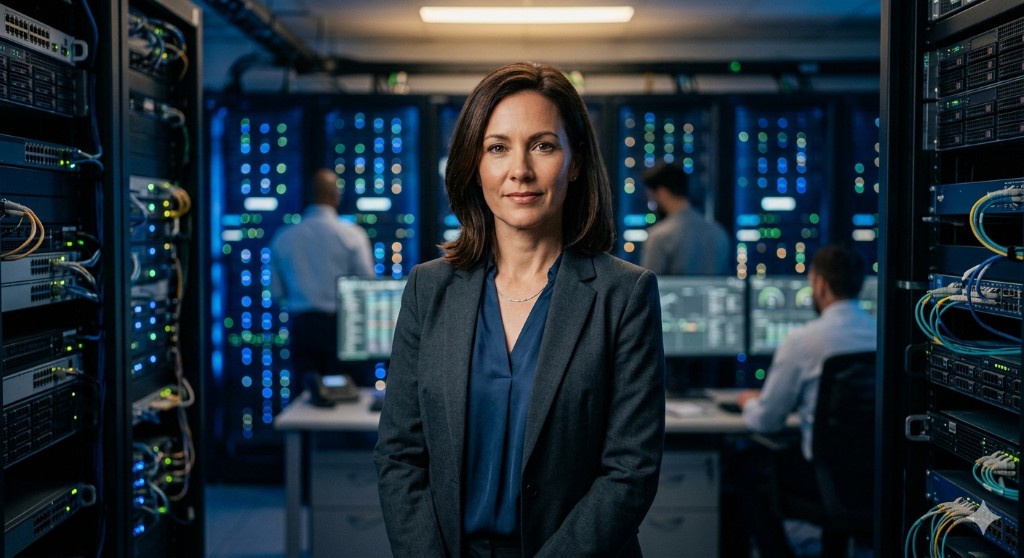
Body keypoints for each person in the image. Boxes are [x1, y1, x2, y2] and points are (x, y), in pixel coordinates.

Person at [373, 61, 666, 558]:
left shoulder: (625, 294)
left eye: (544, 145)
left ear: (574, 163)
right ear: (474, 165)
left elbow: (629, 472)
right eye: (497, 147)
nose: (520, 171)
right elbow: (399, 455)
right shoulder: (429, 289)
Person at [732, 243, 877, 557]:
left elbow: (767, 421)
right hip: (877, 478)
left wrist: (747, 402)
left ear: (820, 284)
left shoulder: (802, 341)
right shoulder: (882, 334)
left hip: (822, 479)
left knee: (743, 470)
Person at [269, 167, 375, 387]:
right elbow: (366, 285)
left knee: (307, 399)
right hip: (343, 329)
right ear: (333, 195)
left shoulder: (284, 237)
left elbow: (277, 293)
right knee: (347, 396)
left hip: (302, 328)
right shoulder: (352, 235)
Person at [639, 161, 731, 276]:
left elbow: (647, 287)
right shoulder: (719, 233)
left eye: (651, 198)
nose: (652, 204)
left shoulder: (660, 236)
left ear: (662, 192)